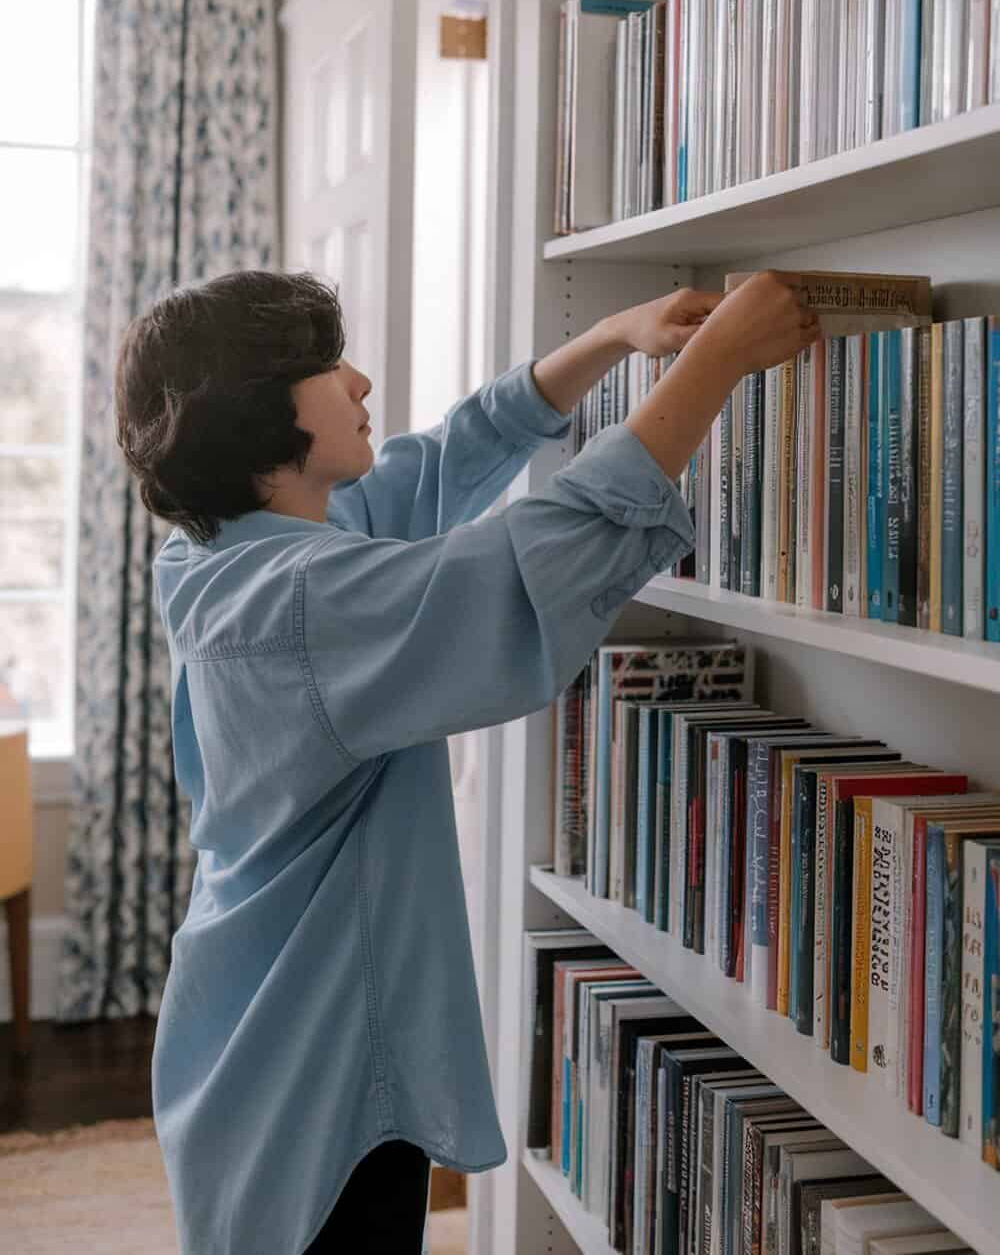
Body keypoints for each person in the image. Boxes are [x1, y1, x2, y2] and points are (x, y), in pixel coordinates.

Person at [114, 266, 818, 1255]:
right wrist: (714, 365)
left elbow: (435, 466)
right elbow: (523, 572)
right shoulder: (298, 604)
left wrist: (613, 334)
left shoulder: (223, 555)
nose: (357, 381)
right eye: (324, 365)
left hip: (256, 1032)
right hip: (313, 1067)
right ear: (257, 413)